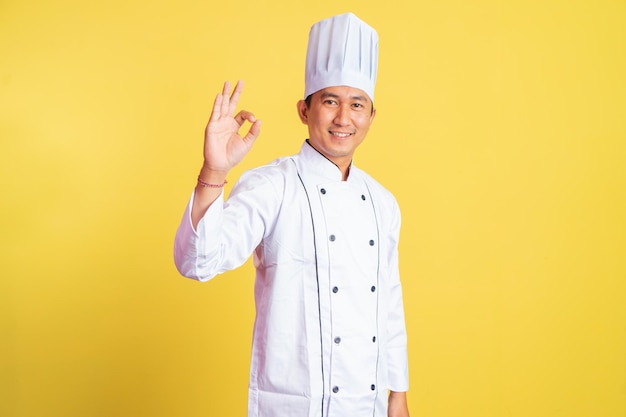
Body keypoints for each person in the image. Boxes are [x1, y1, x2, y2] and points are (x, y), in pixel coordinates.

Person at [174, 12, 410, 417]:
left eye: (357, 105)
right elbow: (198, 262)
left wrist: (398, 395)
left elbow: (388, 300)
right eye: (330, 101)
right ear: (304, 109)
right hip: (291, 407)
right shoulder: (272, 185)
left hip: (366, 406)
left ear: (372, 117)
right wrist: (215, 170)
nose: (343, 118)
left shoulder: (382, 202)